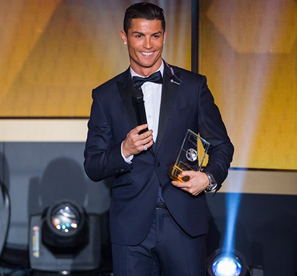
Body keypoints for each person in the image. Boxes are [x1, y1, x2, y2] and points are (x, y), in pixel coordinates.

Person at [84, 3, 234, 275]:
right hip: (130, 227)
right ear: (124, 36)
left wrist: (209, 178)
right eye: (139, 35)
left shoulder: (192, 86)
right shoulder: (105, 95)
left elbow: (222, 145)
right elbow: (93, 165)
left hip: (184, 222)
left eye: (155, 35)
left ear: (164, 36)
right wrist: (124, 150)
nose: (148, 44)